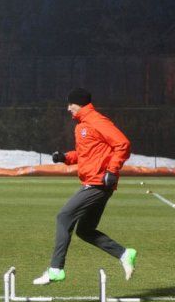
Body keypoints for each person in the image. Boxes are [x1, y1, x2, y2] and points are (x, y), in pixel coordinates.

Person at [33, 88, 136, 285]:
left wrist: (112, 171)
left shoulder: (96, 121)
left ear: (77, 103)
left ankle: (55, 269)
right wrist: (65, 157)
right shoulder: (82, 125)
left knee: (64, 217)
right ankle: (124, 254)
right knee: (85, 230)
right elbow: (86, 154)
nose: (67, 108)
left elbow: (123, 143)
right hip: (94, 181)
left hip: (98, 182)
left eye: (70, 104)